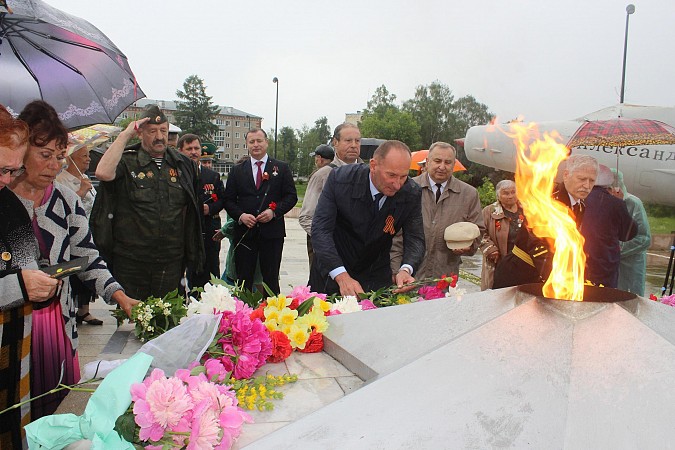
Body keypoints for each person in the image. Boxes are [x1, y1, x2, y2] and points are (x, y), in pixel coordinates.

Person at [11, 100, 137, 419]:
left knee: (57, 408)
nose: (54, 164)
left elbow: (86, 256)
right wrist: (20, 284)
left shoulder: (66, 200)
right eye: (45, 154)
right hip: (12, 331)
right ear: (22, 149)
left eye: (59, 155)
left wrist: (119, 295)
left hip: (58, 324)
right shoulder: (5, 201)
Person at [91, 104, 204, 300]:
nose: (159, 136)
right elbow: (103, 173)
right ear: (140, 133)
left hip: (171, 260)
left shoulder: (183, 165)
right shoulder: (127, 161)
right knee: (133, 323)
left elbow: (190, 211)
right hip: (132, 261)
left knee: (169, 319)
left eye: (163, 130)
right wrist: (125, 134)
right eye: (152, 131)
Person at [0, 105, 59, 449]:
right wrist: (20, 286)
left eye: (14, 170)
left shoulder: (10, 205)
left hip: (13, 355)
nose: (7, 180)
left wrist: (44, 284)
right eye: (2, 169)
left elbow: (28, 264)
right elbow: (18, 281)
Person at [309, 140, 425, 296]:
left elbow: (416, 238)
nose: (397, 185)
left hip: (375, 277)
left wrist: (406, 269)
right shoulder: (340, 180)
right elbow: (320, 230)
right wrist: (341, 276)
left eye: (403, 176)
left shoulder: (411, 192)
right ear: (373, 165)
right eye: (391, 175)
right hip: (333, 272)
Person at [493, 154, 599, 288]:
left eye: (592, 181)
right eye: (582, 179)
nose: (587, 185)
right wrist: (559, 280)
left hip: (543, 274)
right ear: (566, 175)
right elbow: (539, 247)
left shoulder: (579, 206)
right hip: (520, 274)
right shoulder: (548, 203)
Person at [390, 142, 483, 279]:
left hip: (445, 277)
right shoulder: (407, 190)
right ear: (427, 162)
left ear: (453, 165)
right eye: (437, 161)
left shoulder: (469, 194)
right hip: (408, 275)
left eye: (448, 162)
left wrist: (469, 246)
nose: (442, 167)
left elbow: (478, 229)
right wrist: (395, 271)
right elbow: (394, 235)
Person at [223, 128, 297, 294]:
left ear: (266, 142)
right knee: (243, 280)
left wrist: (274, 212)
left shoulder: (281, 168)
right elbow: (228, 200)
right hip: (245, 233)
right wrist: (241, 216)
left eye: (259, 141)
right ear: (247, 145)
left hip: (272, 234)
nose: (256, 145)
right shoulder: (237, 170)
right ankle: (244, 315)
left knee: (271, 278)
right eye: (251, 142)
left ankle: (273, 314)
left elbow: (291, 197)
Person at [299, 124, 363, 269]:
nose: (354, 145)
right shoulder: (323, 175)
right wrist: (328, 240)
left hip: (360, 255)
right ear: (335, 142)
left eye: (357, 141)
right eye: (348, 141)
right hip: (329, 255)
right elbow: (306, 217)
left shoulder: (368, 173)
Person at [56, 142, 103, 325]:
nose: (88, 159)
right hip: (69, 234)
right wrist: (81, 192)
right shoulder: (61, 179)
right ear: (71, 158)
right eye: (84, 155)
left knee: (89, 265)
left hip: (89, 230)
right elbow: (65, 208)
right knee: (74, 272)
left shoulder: (85, 177)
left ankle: (85, 309)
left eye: (88, 155)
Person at [177, 134, 225, 289]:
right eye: (189, 149)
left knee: (209, 273)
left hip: (207, 231)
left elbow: (224, 200)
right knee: (179, 274)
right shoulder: (174, 175)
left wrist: (210, 208)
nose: (193, 152)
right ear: (180, 151)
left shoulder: (212, 176)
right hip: (182, 231)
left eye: (196, 148)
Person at [580, 165, 637, 288]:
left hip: (577, 260)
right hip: (604, 264)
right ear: (608, 183)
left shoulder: (578, 198)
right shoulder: (615, 203)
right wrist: (621, 202)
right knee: (603, 299)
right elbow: (628, 234)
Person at [610, 169, 651, 295]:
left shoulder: (634, 203)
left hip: (632, 265)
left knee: (631, 300)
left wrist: (616, 251)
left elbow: (644, 238)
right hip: (610, 265)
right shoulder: (603, 203)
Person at [479, 180, 524, 290]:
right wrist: (490, 249)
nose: (510, 196)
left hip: (523, 261)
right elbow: (480, 232)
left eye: (513, 192)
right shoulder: (489, 211)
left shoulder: (526, 209)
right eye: (506, 193)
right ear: (498, 195)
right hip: (499, 261)